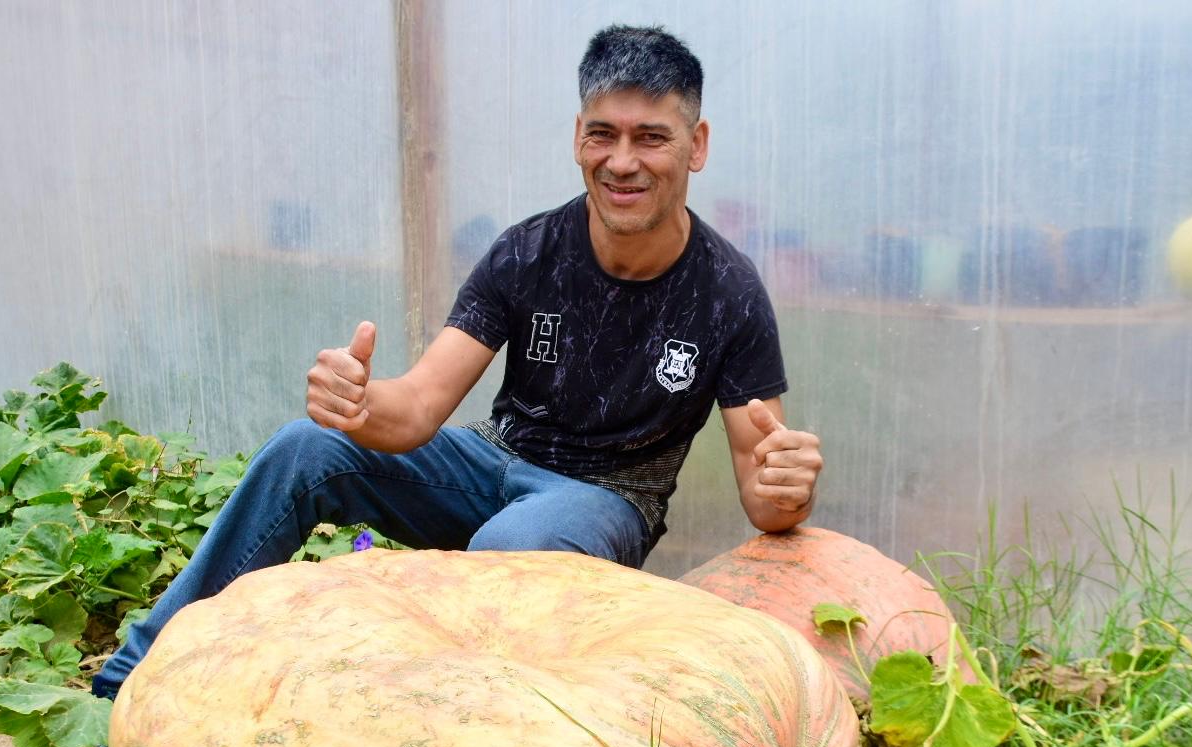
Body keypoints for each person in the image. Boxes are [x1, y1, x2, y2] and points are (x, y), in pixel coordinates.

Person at [91, 24, 823, 700]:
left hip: (603, 500)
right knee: (304, 448)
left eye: (651, 138)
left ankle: (442, 724)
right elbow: (416, 406)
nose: (622, 161)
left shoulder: (729, 293)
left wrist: (786, 486)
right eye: (603, 133)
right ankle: (134, 678)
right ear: (578, 137)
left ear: (695, 145)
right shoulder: (525, 252)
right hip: (493, 462)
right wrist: (358, 404)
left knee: (511, 547)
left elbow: (764, 494)